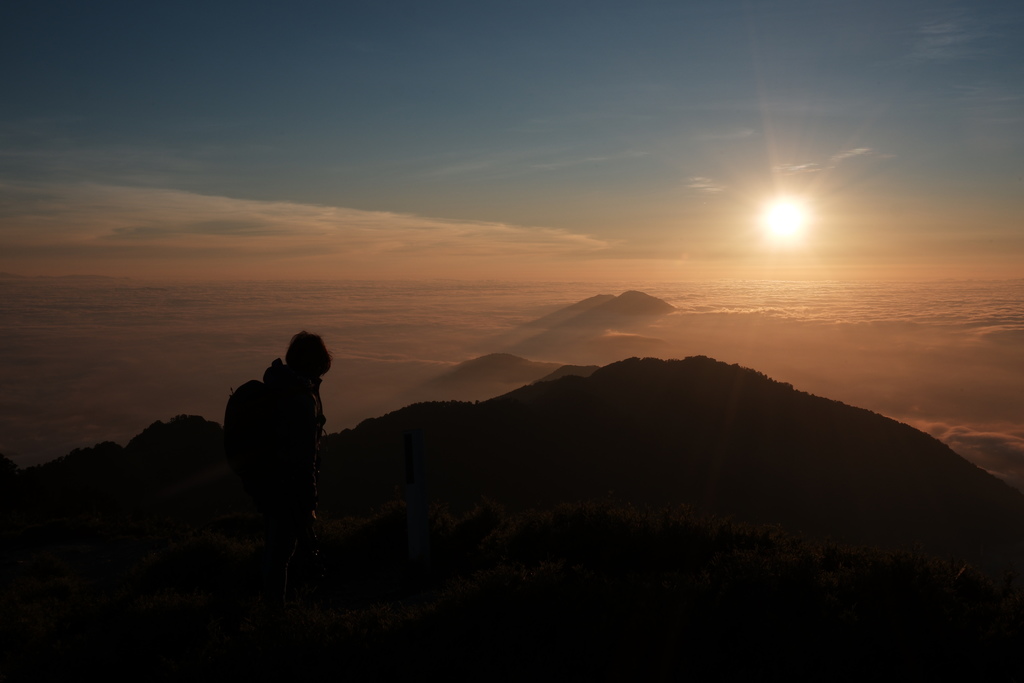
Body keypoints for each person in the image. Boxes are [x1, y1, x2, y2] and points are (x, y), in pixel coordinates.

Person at [258, 331, 331, 606]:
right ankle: (273, 619)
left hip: (266, 481)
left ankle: (272, 609)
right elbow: (304, 458)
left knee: (274, 551)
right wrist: (309, 503)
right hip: (287, 488)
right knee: (281, 555)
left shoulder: (277, 385)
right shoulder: (301, 400)